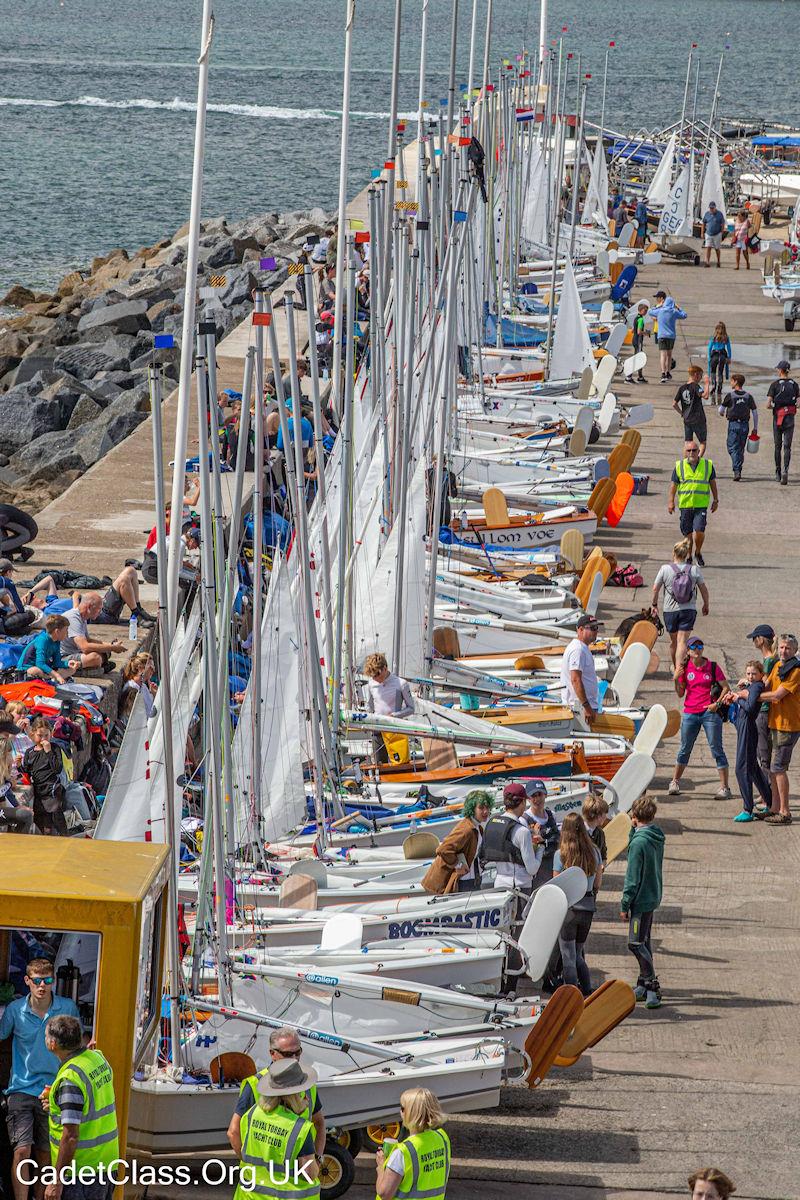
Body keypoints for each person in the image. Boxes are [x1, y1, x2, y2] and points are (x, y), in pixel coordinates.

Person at [0, 960, 79, 1200]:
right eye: (36, 980)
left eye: (47, 980)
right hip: (21, 1089)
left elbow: (79, 1045)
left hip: (54, 1090)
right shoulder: (15, 1010)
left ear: (53, 981)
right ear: (27, 981)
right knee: (22, 1151)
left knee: (46, 1155)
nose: (42, 986)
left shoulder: (68, 1007)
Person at [43, 1014, 119, 1200]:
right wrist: (58, 1104)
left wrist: (57, 1181)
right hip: (108, 1164)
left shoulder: (70, 1079)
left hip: (82, 1173)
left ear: (53, 1044)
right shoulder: (98, 1059)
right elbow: (91, 1102)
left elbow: (70, 1136)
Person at [228, 1027, 325, 1163]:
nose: (294, 1059)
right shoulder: (255, 1084)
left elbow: (319, 1123)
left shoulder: (307, 1084)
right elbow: (233, 1132)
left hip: (297, 1179)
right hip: (262, 1179)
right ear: (272, 1054)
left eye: (298, 1053)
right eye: (287, 1054)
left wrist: (318, 1158)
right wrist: (249, 1163)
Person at [232, 1057, 319, 1200]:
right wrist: (318, 1162)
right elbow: (308, 1174)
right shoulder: (300, 1129)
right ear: (292, 1095)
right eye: (301, 1093)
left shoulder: (251, 1114)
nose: (306, 1098)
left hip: (249, 1195)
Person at [669, 637, 731, 799]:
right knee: (684, 748)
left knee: (716, 748)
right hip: (690, 712)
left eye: (700, 646)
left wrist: (716, 704)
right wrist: (676, 678)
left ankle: (725, 787)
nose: (697, 649)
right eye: (693, 647)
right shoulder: (685, 669)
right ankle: (675, 781)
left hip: (709, 713)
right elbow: (680, 693)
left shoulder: (712, 667)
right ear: (688, 651)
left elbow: (725, 688)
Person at [620, 796, 665, 1009]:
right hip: (653, 894)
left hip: (639, 900)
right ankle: (642, 984)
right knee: (645, 940)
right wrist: (632, 830)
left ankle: (651, 983)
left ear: (635, 817)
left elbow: (632, 877)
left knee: (635, 943)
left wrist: (624, 904)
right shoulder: (655, 836)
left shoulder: (639, 844)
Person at [552, 813, 603, 996]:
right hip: (587, 908)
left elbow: (555, 887)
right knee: (578, 953)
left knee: (568, 956)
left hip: (569, 909)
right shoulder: (594, 852)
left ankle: (571, 996)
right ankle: (587, 990)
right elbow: (597, 883)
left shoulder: (561, 854)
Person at [375, 1088, 450, 1200]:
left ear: (411, 1113)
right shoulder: (442, 1138)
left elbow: (384, 1194)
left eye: (402, 1108)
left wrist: (381, 1167)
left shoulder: (403, 1152)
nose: (400, 1111)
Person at [758, 632, 800, 826]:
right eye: (782, 647)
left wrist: (754, 697)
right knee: (774, 769)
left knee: (778, 768)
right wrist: (748, 687)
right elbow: (765, 685)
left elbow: (776, 695)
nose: (784, 651)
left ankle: (785, 811)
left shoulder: (796, 671)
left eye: (788, 648)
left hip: (788, 726)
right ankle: (774, 808)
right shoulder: (777, 666)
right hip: (775, 723)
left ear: (795, 651)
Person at [723, 661, 772, 823]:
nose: (750, 676)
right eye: (748, 673)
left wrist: (738, 698)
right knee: (752, 769)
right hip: (745, 726)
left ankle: (747, 809)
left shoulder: (757, 686)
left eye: (754, 674)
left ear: (760, 675)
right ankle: (769, 801)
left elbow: (750, 707)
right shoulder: (751, 685)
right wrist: (738, 696)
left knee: (741, 769)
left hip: (748, 727)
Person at [651, 538, 710, 668]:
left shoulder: (665, 569)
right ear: (686, 554)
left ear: (674, 553)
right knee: (682, 641)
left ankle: (676, 668)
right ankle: (680, 670)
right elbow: (703, 589)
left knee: (674, 642)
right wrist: (706, 604)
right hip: (688, 609)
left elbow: (655, 588)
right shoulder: (694, 570)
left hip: (670, 611)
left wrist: (654, 605)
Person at [421, 791, 491, 894]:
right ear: (472, 809)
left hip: (472, 878)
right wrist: (458, 865)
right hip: (463, 881)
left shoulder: (478, 828)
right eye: (481, 808)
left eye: (487, 807)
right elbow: (443, 849)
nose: (486, 811)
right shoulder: (466, 829)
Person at [668, 442, 719, 567]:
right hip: (685, 505)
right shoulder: (679, 466)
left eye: (694, 450)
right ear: (685, 452)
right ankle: (689, 555)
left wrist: (716, 500)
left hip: (700, 505)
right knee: (688, 533)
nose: (691, 453)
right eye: (689, 450)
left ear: (698, 451)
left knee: (699, 529)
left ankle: (698, 552)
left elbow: (712, 483)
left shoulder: (707, 465)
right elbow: (673, 485)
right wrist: (671, 502)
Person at [363, 651, 414, 763]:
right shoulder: (371, 684)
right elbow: (369, 708)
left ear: (385, 668)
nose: (375, 678)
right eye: (373, 676)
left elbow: (411, 708)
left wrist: (394, 715)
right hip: (378, 731)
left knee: (400, 764)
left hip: (395, 730)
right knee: (380, 766)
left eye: (378, 674)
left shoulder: (401, 684)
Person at [23, 718, 69, 836]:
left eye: (46, 735)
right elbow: (27, 771)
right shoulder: (29, 752)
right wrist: (19, 766)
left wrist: (48, 752)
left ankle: (64, 838)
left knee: (53, 821)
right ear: (32, 734)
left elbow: (57, 769)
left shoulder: (55, 748)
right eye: (40, 735)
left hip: (52, 790)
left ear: (51, 733)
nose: (43, 739)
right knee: (39, 822)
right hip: (38, 791)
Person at [60, 595, 125, 674]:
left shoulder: (82, 618)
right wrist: (112, 647)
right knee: (95, 658)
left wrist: (111, 645)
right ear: (89, 607)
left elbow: (88, 640)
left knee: (105, 652)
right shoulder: (73, 619)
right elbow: (85, 647)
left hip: (76, 651)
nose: (100, 612)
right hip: (64, 657)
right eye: (99, 609)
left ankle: (96, 666)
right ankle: (82, 671)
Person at [747, 624, 778, 779]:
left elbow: (764, 686)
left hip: (764, 709)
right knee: (762, 751)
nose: (753, 641)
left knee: (763, 751)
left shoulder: (769, 661)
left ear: (761, 640)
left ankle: (767, 790)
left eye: (754, 638)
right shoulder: (771, 659)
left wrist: (748, 689)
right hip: (765, 709)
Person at [560, 614, 601, 726]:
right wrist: (586, 707)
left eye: (597, 628)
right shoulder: (578, 650)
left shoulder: (582, 647)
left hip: (583, 707)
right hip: (579, 709)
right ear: (580, 630)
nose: (596, 631)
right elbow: (575, 680)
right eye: (592, 628)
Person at [16, 616, 79, 684]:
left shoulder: (57, 641)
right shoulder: (42, 640)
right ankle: (50, 679)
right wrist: (56, 675)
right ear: (57, 631)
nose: (67, 633)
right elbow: (40, 663)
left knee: (72, 670)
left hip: (43, 670)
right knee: (35, 671)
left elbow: (57, 662)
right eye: (66, 630)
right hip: (26, 670)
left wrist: (68, 663)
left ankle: (49, 679)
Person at [521, 778, 560, 887]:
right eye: (533, 796)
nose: (537, 799)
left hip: (553, 864)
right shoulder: (524, 819)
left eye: (540, 794)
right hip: (537, 868)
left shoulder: (552, 815)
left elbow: (558, 838)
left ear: (545, 795)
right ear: (528, 798)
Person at [719, 372, 758, 481]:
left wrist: (722, 413)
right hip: (745, 425)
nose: (730, 383)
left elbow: (720, 410)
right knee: (740, 448)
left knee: (732, 447)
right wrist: (755, 428)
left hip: (733, 424)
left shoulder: (730, 396)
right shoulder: (748, 396)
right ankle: (738, 468)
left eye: (731, 380)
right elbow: (755, 413)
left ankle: (737, 470)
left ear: (736, 382)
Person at [766, 359, 798, 485]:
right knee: (787, 447)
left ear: (780, 370)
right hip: (790, 417)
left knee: (777, 446)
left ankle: (778, 472)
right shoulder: (794, 384)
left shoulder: (774, 384)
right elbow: (799, 403)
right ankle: (786, 470)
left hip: (778, 417)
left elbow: (768, 404)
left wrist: (774, 407)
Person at [649, 290, 687, 383]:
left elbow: (650, 311)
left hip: (661, 335)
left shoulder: (660, 311)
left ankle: (662, 373)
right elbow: (684, 315)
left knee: (663, 354)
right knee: (669, 355)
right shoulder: (674, 312)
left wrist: (659, 305)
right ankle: (668, 372)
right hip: (671, 336)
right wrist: (678, 308)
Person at [672, 364, 710, 454]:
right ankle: (698, 459)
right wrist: (707, 383)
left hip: (687, 418)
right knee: (702, 442)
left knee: (687, 442)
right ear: (696, 375)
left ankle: (686, 462)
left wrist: (682, 413)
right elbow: (706, 396)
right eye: (700, 375)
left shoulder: (682, 388)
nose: (700, 378)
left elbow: (674, 404)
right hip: (698, 418)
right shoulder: (696, 386)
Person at [0, 736, 34, 832]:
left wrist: (17, 808)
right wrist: (9, 784)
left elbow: (2, 799)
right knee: (25, 815)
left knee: (24, 814)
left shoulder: (3, 775)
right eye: (10, 754)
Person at [120, 653, 156, 719]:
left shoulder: (143, 687)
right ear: (139, 668)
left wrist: (154, 694)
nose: (153, 670)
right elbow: (134, 719)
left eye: (153, 667)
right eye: (150, 667)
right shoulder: (131, 688)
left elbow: (151, 711)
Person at [582, 792, 610, 866]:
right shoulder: (578, 832)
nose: (605, 817)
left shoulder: (600, 833)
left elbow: (603, 854)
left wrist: (603, 864)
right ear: (596, 815)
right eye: (604, 813)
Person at [706, 321, 731, 400]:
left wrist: (709, 357)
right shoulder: (726, 338)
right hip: (722, 356)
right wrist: (729, 357)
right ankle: (719, 387)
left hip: (715, 355)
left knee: (713, 371)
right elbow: (729, 349)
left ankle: (713, 385)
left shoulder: (713, 337)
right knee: (720, 372)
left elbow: (709, 348)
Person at [701, 201, 725, 268]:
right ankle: (707, 262)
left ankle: (718, 261)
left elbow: (722, 223)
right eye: (710, 208)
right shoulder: (707, 214)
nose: (711, 209)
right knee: (708, 248)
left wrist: (722, 233)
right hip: (708, 233)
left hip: (717, 234)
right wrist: (702, 233)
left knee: (717, 249)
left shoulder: (719, 214)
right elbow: (703, 223)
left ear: (715, 208)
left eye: (712, 208)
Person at [631, 303, 649, 383]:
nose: (646, 312)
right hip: (638, 340)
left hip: (634, 339)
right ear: (641, 310)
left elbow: (633, 330)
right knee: (638, 358)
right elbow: (638, 332)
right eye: (645, 311)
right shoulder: (641, 319)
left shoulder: (636, 318)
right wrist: (646, 333)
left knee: (638, 358)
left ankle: (640, 376)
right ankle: (630, 376)